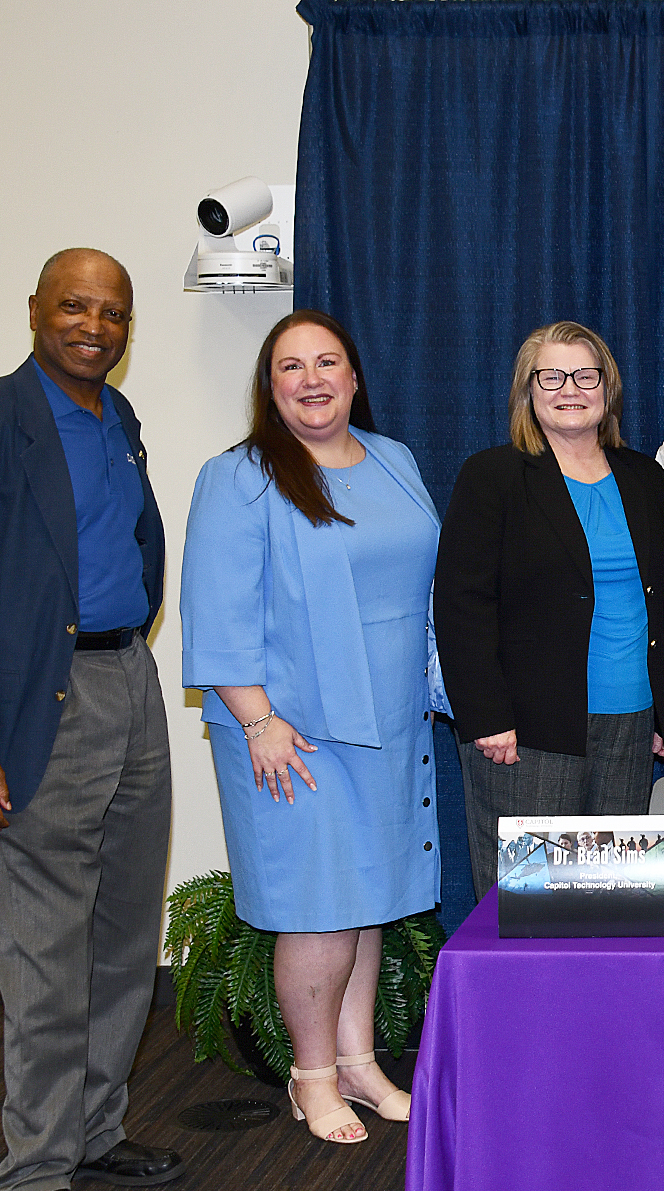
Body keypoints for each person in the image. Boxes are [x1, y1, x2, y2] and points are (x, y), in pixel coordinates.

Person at [0, 248, 182, 1191]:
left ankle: (95, 1132)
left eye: (111, 311)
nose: (92, 324)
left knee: (119, 937)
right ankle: (34, 1170)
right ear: (35, 310)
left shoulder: (120, 421)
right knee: (45, 951)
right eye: (74, 305)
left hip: (128, 688)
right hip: (31, 708)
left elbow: (129, 549)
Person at [183, 310, 441, 1145]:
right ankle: (312, 1077)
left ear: (355, 377)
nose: (311, 379)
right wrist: (257, 721)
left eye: (327, 362)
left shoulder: (394, 461)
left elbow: (427, 590)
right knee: (318, 911)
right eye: (290, 367)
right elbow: (214, 615)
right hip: (291, 733)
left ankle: (360, 1063)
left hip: (390, 724)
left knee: (369, 902)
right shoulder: (241, 477)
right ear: (270, 386)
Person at [434, 321, 664, 899]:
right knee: (531, 910)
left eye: (584, 375)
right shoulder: (493, 477)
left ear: (608, 389)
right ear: (528, 390)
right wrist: (485, 715)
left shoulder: (645, 479)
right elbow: (460, 605)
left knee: (616, 906)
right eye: (551, 376)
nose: (568, 388)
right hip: (526, 734)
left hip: (630, 725)